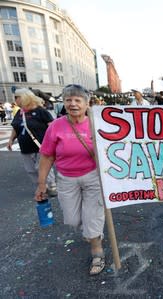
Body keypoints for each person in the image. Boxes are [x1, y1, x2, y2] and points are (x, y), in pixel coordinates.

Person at [35, 84, 106, 275]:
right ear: (64, 103)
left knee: (93, 216)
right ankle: (93, 231)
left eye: (77, 100)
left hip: (93, 176)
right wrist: (42, 184)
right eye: (68, 100)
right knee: (73, 220)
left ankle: (97, 251)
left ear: (86, 102)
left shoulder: (98, 122)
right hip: (66, 178)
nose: (73, 104)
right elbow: (47, 156)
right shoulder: (56, 126)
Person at [7, 88, 57, 196]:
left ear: (24, 97)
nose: (15, 100)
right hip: (25, 147)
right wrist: (11, 139)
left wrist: (54, 143)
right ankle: (40, 187)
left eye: (16, 97)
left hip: (41, 146)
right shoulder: (20, 112)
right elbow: (16, 127)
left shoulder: (41, 111)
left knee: (42, 167)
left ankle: (51, 185)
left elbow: (52, 128)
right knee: (30, 170)